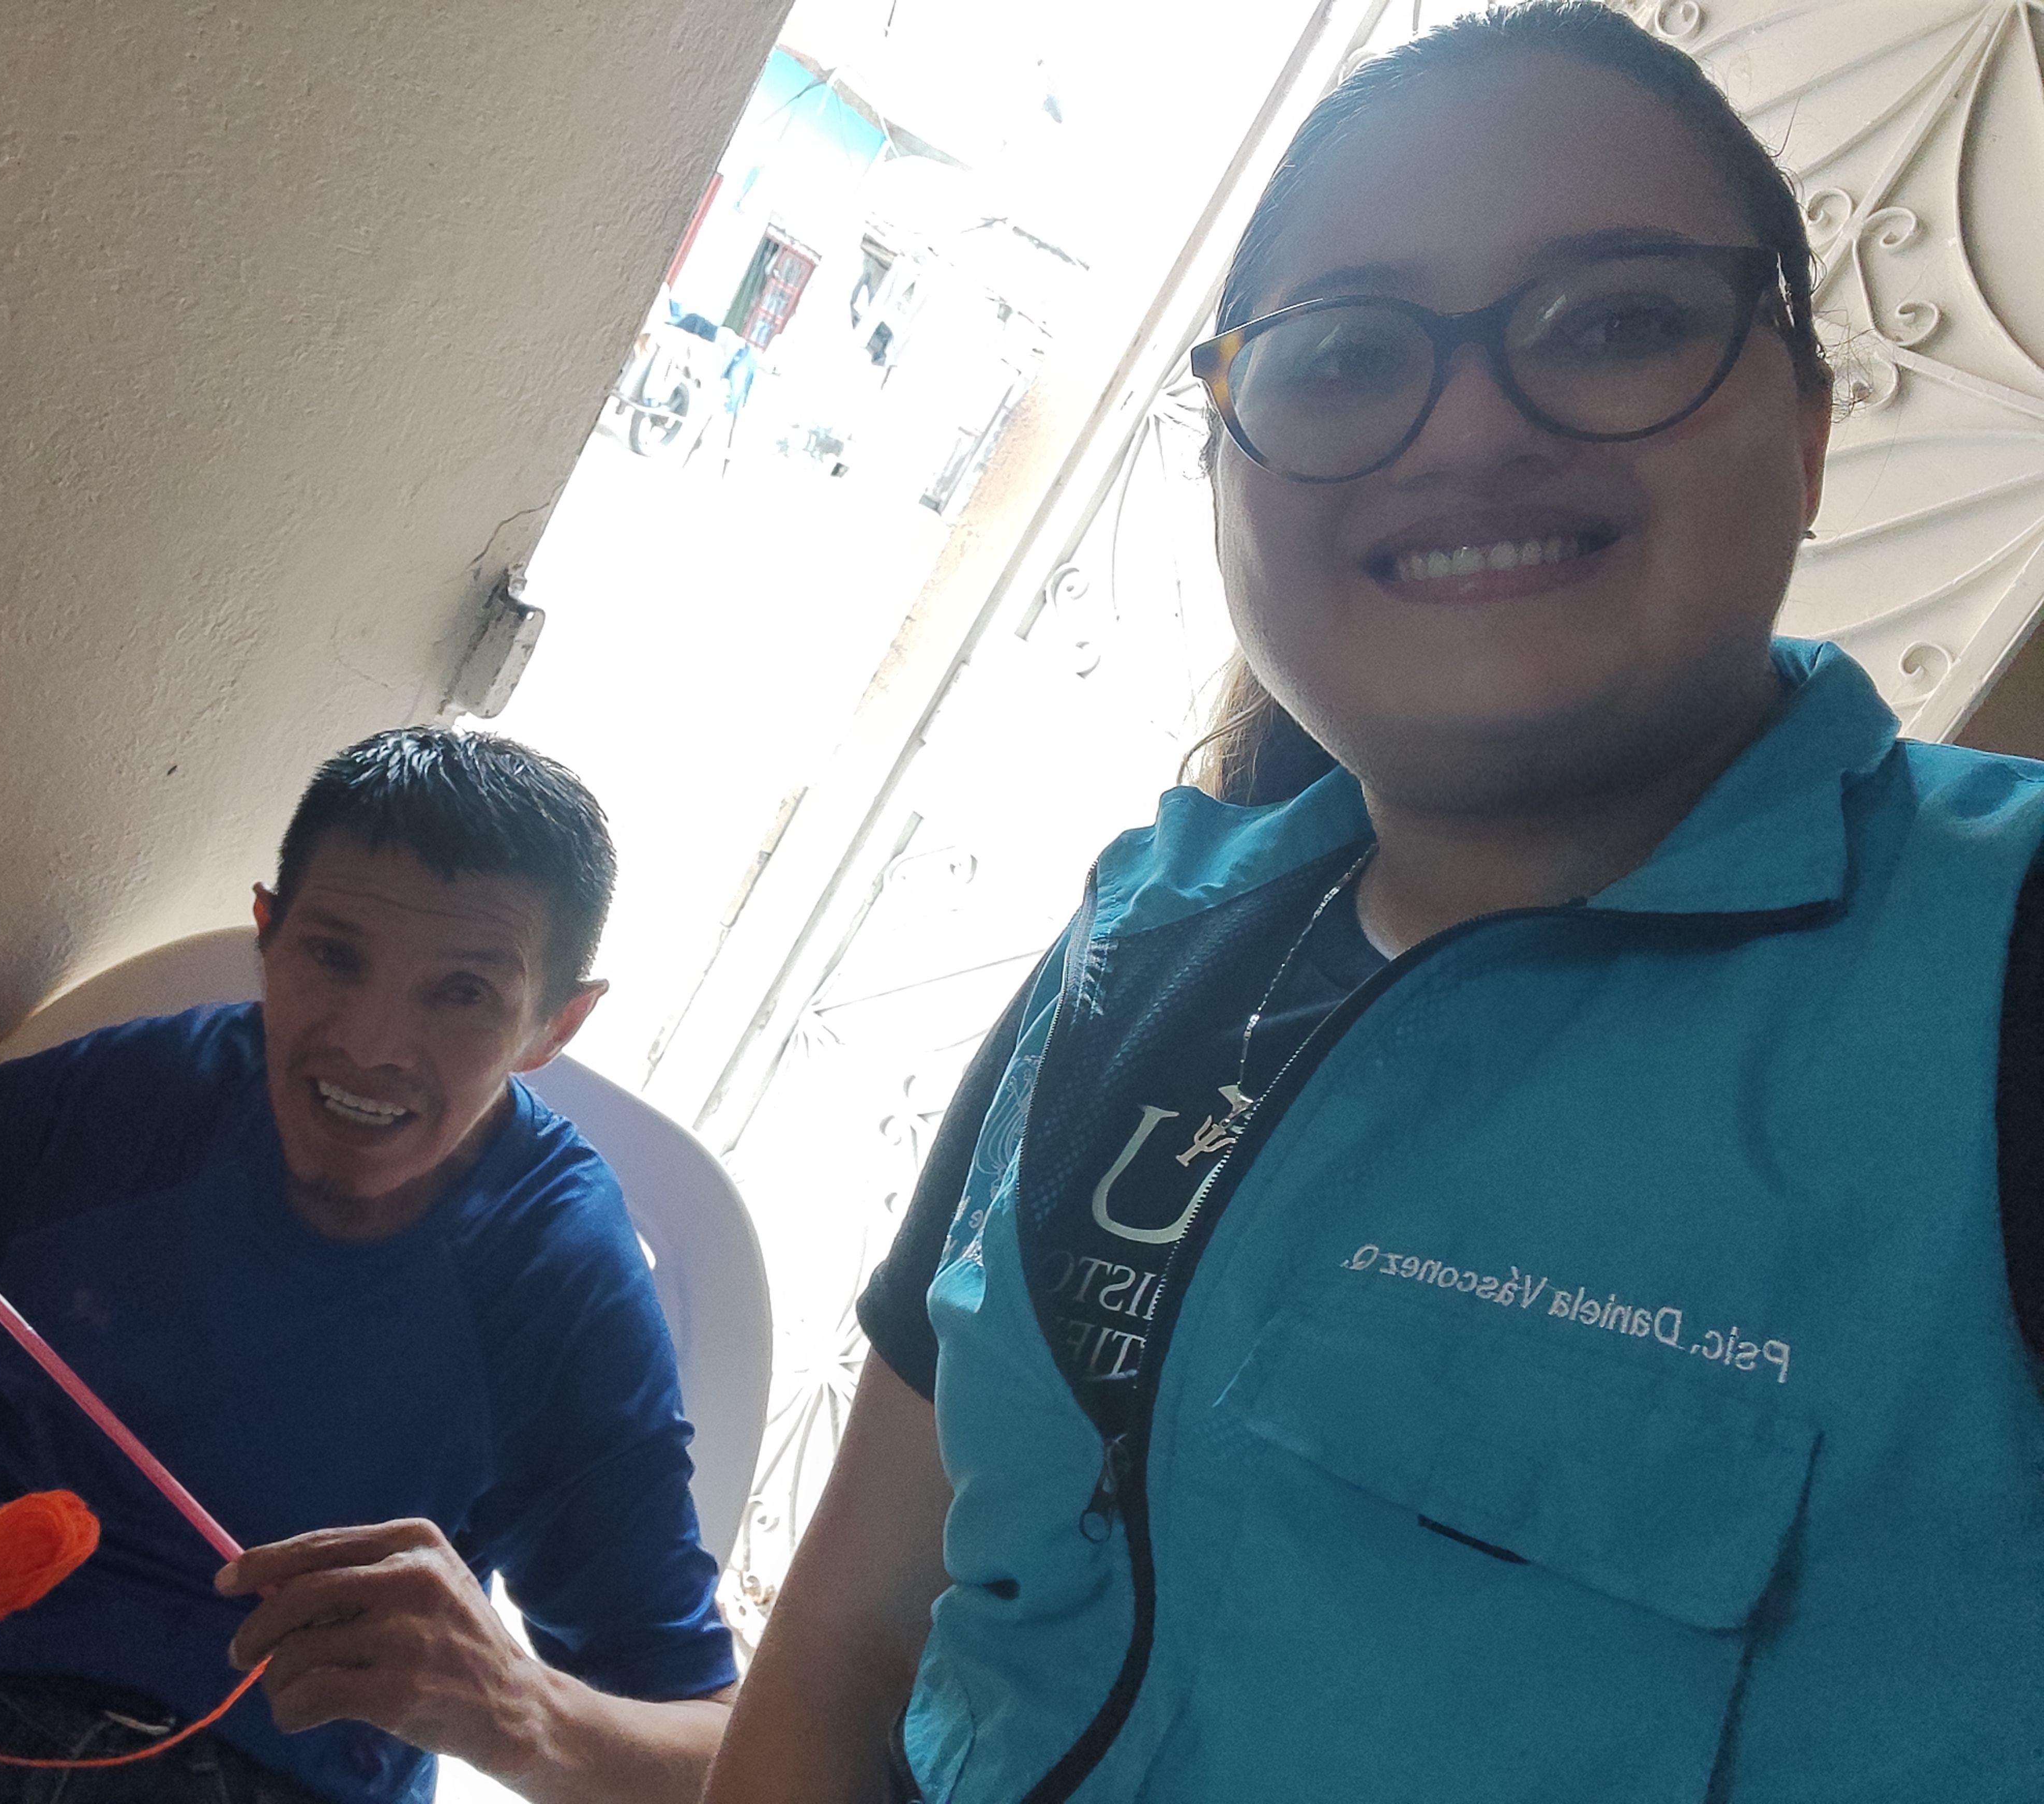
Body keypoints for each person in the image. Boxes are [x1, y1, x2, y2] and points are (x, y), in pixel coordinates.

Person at [702, 7, 2044, 1801]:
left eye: (1618, 322)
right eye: (1344, 354)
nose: (1471, 425)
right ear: (1223, 466)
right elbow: (857, 1639)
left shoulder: (1999, 972)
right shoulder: (1136, 947)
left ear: (1806, 427)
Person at [0, 729, 739, 1804]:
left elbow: (725, 1756)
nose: (370, 1045)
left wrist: (522, 1712)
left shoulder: (558, 1274)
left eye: (462, 994)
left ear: (555, 1025)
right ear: (269, 935)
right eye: (333, 956)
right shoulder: (129, 1104)